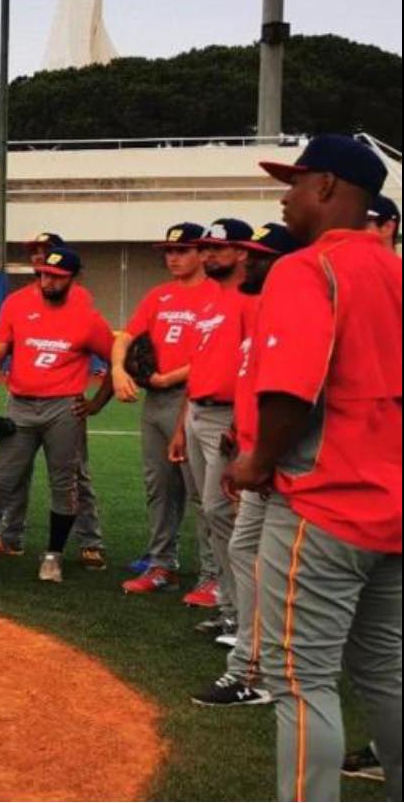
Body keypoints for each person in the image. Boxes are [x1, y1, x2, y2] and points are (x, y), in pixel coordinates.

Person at [229, 134, 400, 800]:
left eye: (296, 182)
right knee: (386, 671)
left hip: (325, 503)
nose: (286, 194)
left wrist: (256, 462)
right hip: (392, 505)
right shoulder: (395, 269)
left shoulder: (307, 268)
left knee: (301, 679)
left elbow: (290, 389)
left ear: (328, 187)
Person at [190, 221, 300, 708]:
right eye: (247, 253)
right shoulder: (261, 308)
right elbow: (252, 381)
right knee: (244, 549)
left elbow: (296, 397)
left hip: (284, 465)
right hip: (254, 451)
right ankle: (252, 663)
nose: (248, 263)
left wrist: (263, 455)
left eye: (260, 256)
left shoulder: (292, 312)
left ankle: (265, 669)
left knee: (285, 568)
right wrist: (239, 433)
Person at [0, 246, 114, 584]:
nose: (47, 281)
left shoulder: (88, 317)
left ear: (72, 279)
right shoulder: (17, 305)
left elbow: (115, 360)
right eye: (43, 274)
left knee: (65, 483)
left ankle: (53, 556)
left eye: (56, 277)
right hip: (20, 404)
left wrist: (95, 404)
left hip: (63, 407)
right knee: (0, 480)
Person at [115, 223, 219, 603]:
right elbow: (126, 337)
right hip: (157, 402)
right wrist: (117, 368)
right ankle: (163, 565)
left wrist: (168, 376)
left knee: (202, 493)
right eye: (169, 251)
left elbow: (217, 352)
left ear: (203, 254)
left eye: (183, 250)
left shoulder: (217, 294)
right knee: (159, 487)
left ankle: (213, 574)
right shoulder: (159, 296)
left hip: (195, 398)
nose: (173, 257)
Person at [168, 218, 253, 637]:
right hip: (198, 412)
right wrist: (183, 424)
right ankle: (230, 604)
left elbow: (255, 369)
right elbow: (199, 368)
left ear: (243, 253)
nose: (208, 255)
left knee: (226, 514)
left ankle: (245, 615)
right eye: (205, 249)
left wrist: (240, 423)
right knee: (211, 512)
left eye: (218, 248)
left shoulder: (250, 301)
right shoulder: (209, 302)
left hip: (227, 417)